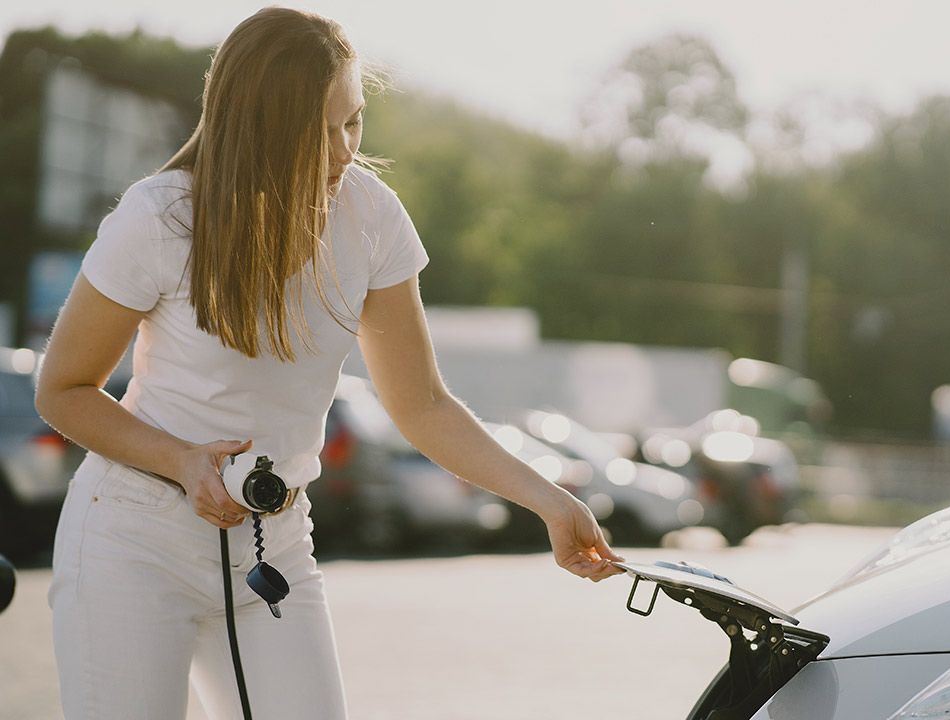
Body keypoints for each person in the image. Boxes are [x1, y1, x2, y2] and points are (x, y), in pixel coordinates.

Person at [33, 7, 624, 718]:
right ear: (257, 131)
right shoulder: (159, 217)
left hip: (275, 543)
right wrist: (182, 460)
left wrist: (550, 502)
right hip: (131, 539)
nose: (344, 151)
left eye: (354, 121)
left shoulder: (372, 218)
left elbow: (423, 404)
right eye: (317, 132)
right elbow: (64, 390)